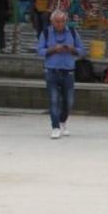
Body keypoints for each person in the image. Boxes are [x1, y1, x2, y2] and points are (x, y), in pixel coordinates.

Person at [36, 10, 83, 139]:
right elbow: (39, 51)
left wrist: (71, 49)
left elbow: (81, 50)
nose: (60, 24)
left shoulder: (72, 32)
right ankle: (55, 126)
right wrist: (53, 49)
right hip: (52, 71)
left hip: (68, 72)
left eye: (62, 21)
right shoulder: (45, 33)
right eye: (57, 21)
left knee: (69, 101)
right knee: (54, 100)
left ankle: (63, 121)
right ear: (52, 22)